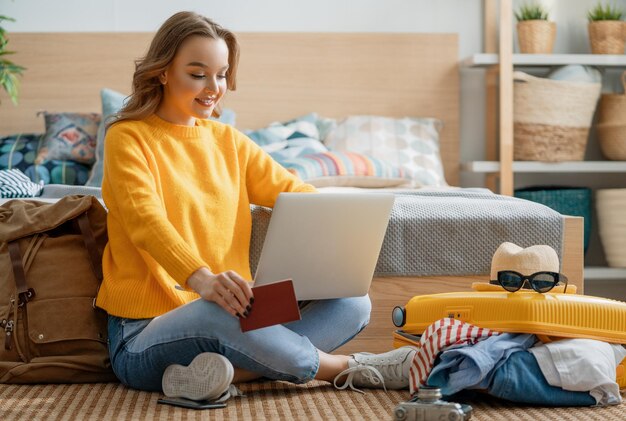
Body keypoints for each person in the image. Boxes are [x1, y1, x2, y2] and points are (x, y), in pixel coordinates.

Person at [96, 10, 417, 402]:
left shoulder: (229, 141)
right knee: (217, 311)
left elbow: (293, 192)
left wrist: (340, 232)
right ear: (163, 72)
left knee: (352, 300)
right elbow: (147, 220)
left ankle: (228, 375)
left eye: (222, 74)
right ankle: (351, 369)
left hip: (234, 313)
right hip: (143, 336)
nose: (214, 87)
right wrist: (202, 279)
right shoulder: (127, 137)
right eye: (198, 74)